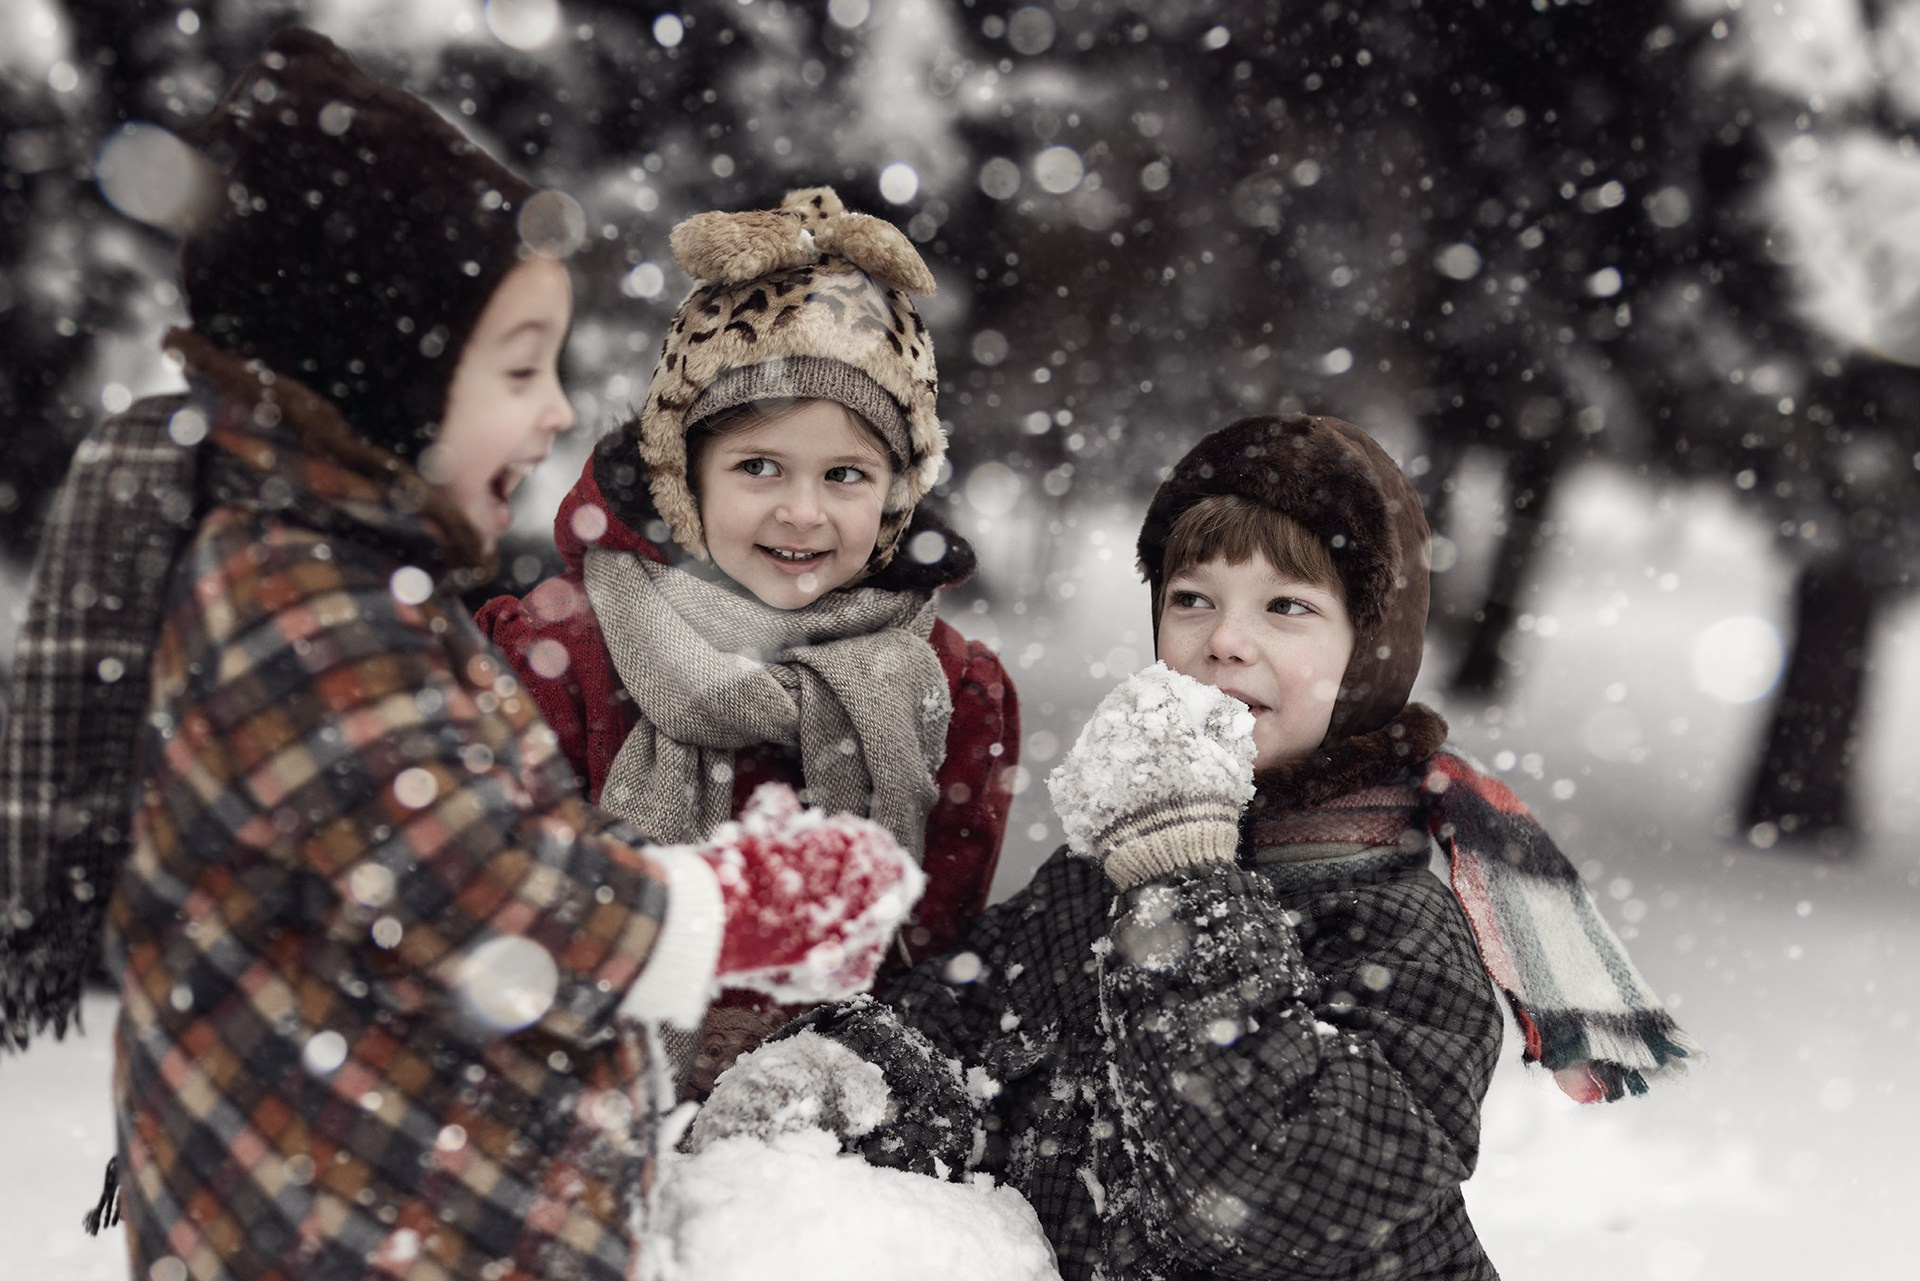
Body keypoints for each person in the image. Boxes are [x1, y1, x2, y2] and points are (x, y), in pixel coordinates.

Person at [0, 29, 920, 1281]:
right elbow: (472, 885)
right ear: (392, 379)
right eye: (520, 366)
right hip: (347, 1230)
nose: (554, 411)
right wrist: (723, 909)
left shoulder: (352, 580)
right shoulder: (299, 609)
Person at [695, 413, 1699, 1280]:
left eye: (1288, 608)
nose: (1225, 640)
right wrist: (844, 1071)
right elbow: (967, 1028)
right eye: (1192, 599)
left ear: (1369, 656)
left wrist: (1186, 884)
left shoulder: (1400, 928)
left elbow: (1275, 1187)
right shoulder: (1102, 878)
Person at [477, 187, 1019, 1094]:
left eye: (845, 474)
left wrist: (828, 1066)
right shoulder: (567, 653)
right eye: (758, 466)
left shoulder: (949, 689)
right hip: (583, 1109)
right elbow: (509, 917)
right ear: (683, 473)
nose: (801, 512)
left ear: (894, 494)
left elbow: (933, 964)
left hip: (816, 1158)